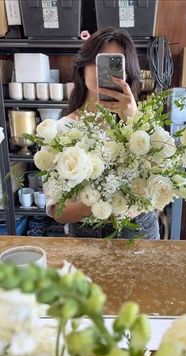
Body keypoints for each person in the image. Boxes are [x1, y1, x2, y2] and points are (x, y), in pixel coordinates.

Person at [48, 27, 160, 239]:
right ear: (82, 67)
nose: (105, 72)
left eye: (116, 63)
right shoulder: (61, 130)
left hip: (139, 230)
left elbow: (164, 179)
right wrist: (99, 205)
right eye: (99, 61)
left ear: (128, 73)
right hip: (86, 235)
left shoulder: (142, 123)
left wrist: (134, 120)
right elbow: (57, 211)